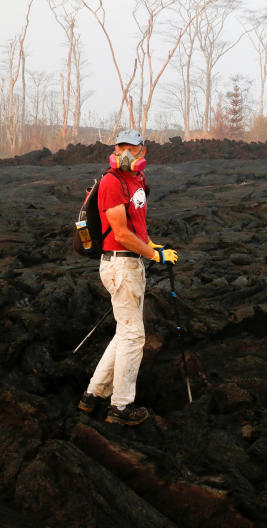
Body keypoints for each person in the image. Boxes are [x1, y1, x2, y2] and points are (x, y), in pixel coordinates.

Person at [78, 129, 179, 426]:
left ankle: (92, 395)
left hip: (132, 264)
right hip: (120, 266)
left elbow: (135, 226)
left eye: (131, 147)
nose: (125, 152)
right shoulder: (111, 182)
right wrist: (154, 255)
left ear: (142, 151)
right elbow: (120, 233)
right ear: (115, 149)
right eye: (121, 146)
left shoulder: (137, 180)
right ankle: (120, 407)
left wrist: (151, 247)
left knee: (125, 333)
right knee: (134, 336)